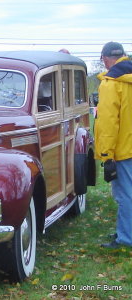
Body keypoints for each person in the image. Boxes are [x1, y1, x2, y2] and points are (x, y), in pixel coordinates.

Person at [94, 41, 132, 248]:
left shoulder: (111, 84)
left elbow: (109, 123)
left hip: (123, 151)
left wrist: (107, 156)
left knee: (125, 195)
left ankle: (126, 238)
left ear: (106, 59)